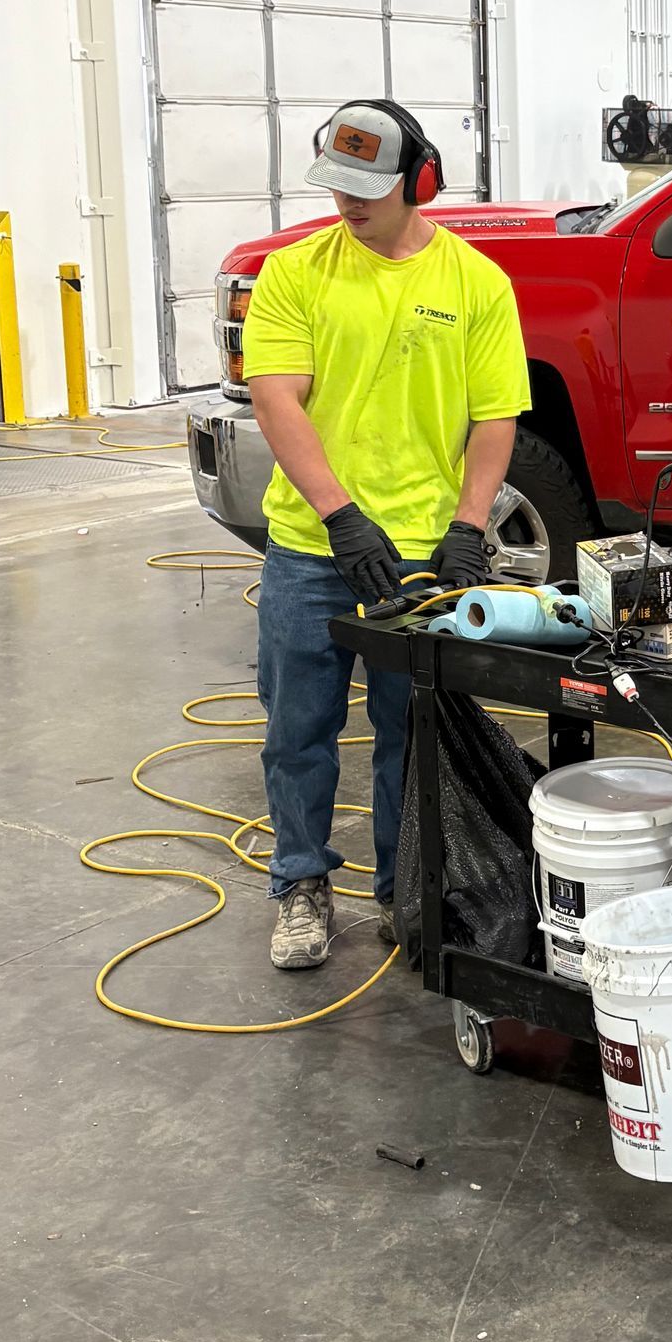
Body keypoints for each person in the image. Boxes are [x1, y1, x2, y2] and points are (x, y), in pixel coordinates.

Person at [242, 100, 530, 970]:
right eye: (337, 186)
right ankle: (300, 881)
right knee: (299, 728)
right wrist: (339, 517)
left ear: (421, 182)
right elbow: (276, 397)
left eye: (368, 189)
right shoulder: (296, 274)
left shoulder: (477, 285)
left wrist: (469, 528)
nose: (349, 204)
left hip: (422, 554)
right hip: (311, 547)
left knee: (416, 735)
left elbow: (494, 416)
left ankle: (409, 889)